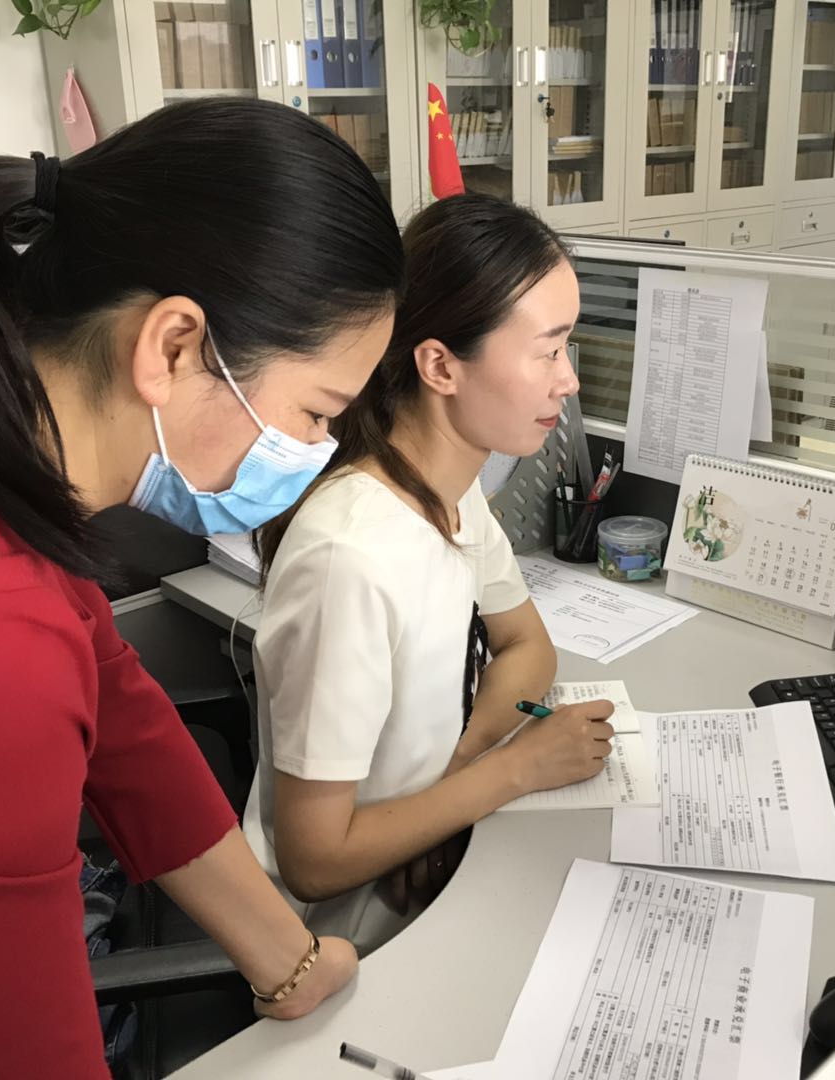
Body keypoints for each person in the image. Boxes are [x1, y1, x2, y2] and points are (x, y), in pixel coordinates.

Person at [0, 98, 404, 1077]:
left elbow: (127, 722)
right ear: (173, 347)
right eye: (317, 414)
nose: (317, 451)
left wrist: (291, 961)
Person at [248, 194, 615, 953]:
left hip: (435, 879)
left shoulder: (448, 493)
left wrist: (453, 786)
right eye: (548, 351)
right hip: (345, 941)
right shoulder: (350, 558)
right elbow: (314, 862)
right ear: (441, 365)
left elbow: (529, 649)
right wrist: (512, 771)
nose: (569, 381)